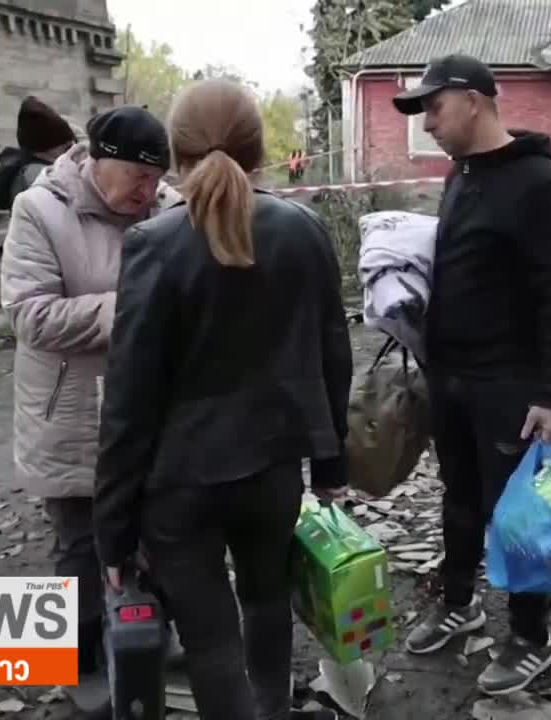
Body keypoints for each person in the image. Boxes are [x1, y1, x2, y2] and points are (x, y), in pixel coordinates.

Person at [93, 78, 351, 720]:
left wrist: (113, 536)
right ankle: (274, 708)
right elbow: (333, 358)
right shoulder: (304, 230)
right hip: (271, 472)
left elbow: (129, 398)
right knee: (267, 601)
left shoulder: (152, 245)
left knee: (210, 642)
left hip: (180, 486)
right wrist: (331, 468)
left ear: (176, 156)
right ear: (260, 149)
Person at [391, 53, 551, 696]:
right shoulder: (460, 175)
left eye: (433, 108)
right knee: (460, 499)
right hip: (451, 375)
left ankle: (531, 634)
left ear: (472, 99)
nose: (427, 124)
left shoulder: (536, 184)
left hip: (508, 382)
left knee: (518, 515)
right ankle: (460, 600)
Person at [0, 105, 173, 712]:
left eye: (157, 180)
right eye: (138, 179)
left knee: (156, 531)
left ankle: (151, 637)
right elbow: (30, 314)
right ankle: (77, 656)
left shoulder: (168, 208)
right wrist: (131, 311)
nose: (149, 193)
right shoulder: (39, 211)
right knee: (80, 540)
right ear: (99, 162)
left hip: (150, 409)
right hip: (70, 409)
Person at [0, 96, 76, 210]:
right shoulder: (42, 177)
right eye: (67, 146)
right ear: (47, 147)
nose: (72, 150)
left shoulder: (19, 167)